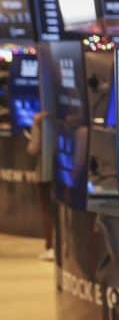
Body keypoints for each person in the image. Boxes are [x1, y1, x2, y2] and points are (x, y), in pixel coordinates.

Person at [25, 110, 53, 261]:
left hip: (45, 173)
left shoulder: (39, 121)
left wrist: (35, 127)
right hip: (65, 173)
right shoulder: (67, 115)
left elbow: (33, 148)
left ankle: (51, 246)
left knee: (47, 210)